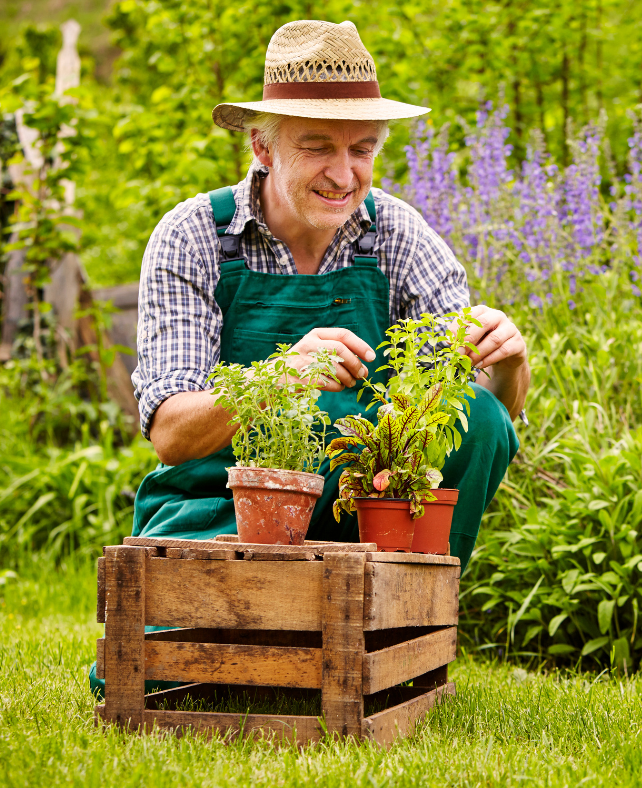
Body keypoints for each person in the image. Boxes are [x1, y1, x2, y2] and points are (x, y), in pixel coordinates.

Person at [129, 19, 529, 571]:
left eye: (361, 150)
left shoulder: (396, 234)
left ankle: (405, 621)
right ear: (262, 147)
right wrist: (280, 376)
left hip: (357, 514)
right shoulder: (195, 235)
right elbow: (171, 434)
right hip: (219, 510)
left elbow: (478, 430)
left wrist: (506, 363)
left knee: (479, 415)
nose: (343, 175)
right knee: (201, 644)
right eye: (318, 147)